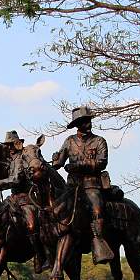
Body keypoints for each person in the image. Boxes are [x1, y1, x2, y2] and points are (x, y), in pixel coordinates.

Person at [51, 106, 114, 264]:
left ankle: (98, 242)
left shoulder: (99, 141)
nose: (89, 123)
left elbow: (101, 162)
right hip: (72, 186)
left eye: (89, 120)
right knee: (54, 209)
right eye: (85, 121)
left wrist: (79, 165)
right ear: (78, 124)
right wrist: (54, 160)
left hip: (91, 185)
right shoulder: (69, 141)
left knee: (97, 209)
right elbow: (59, 163)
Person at [0, 131, 51, 273]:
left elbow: (16, 179)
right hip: (13, 199)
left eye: (11, 145)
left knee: (31, 225)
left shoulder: (22, 158)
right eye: (7, 145)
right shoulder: (10, 160)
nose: (9, 148)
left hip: (27, 199)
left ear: (17, 144)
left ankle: (41, 255)